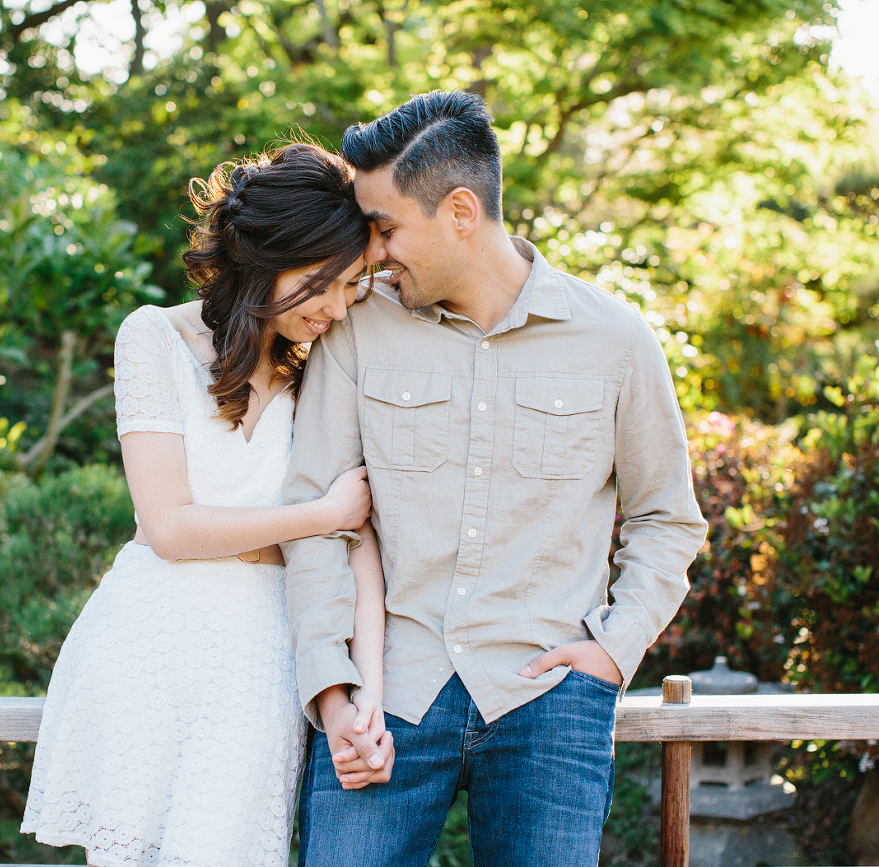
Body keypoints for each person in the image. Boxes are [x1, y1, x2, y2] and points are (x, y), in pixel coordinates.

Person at [280, 91, 709, 866]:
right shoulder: (358, 325)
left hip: (546, 699)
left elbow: (666, 520)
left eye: (385, 228)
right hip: (386, 694)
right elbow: (316, 515)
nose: (372, 252)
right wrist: (330, 687)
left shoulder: (615, 340)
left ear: (460, 211)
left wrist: (613, 652)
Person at [21, 142, 388, 867]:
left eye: (353, 285)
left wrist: (365, 690)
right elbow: (169, 528)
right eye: (324, 283)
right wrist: (320, 516)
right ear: (270, 258)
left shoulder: (328, 364)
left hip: (260, 657)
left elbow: (362, 544)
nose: (338, 306)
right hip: (147, 642)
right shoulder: (152, 335)